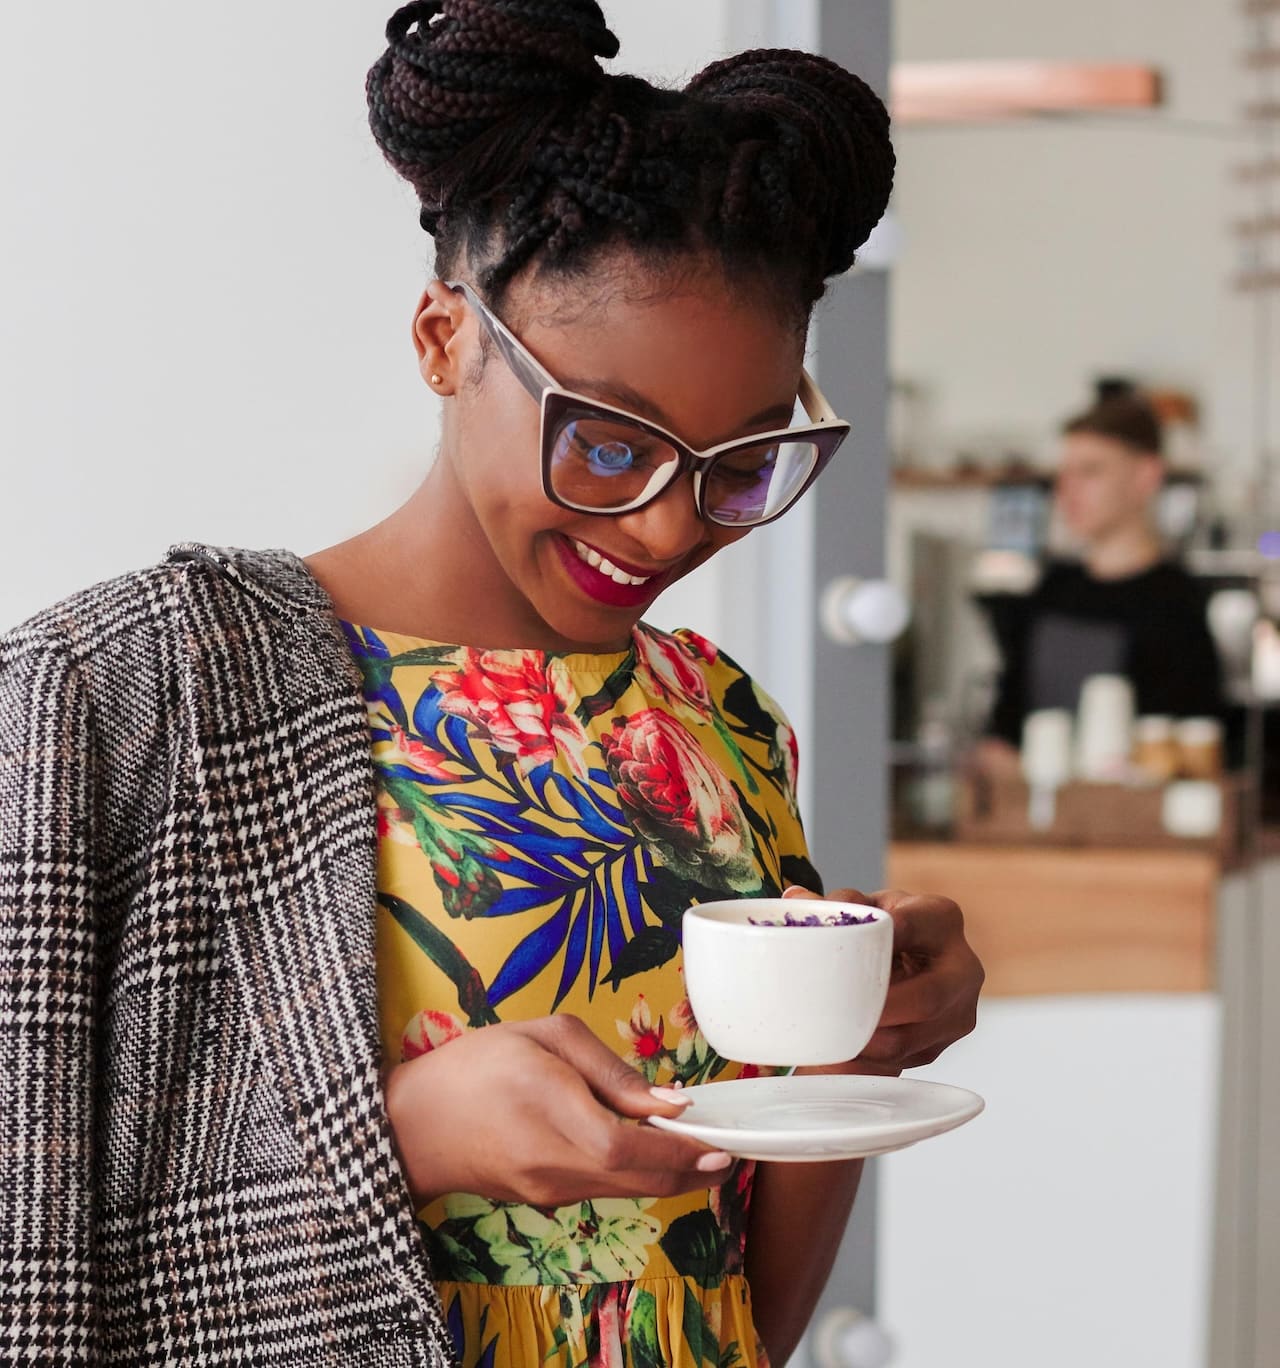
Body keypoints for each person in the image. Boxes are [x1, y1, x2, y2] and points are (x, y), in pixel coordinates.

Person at [0, 3, 984, 1365]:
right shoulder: (124, 692)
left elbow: (732, 1286)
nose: (663, 525)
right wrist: (400, 1138)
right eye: (603, 441)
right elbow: (29, 1244)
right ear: (443, 339)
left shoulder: (718, 716)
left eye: (742, 463)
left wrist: (852, 1046)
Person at [979, 390, 1224, 764]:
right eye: (1064, 474)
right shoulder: (1051, 589)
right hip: (1029, 812)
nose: (1067, 490)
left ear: (1147, 476)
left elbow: (1188, 746)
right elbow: (1007, 719)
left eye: (1090, 471)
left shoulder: (1177, 603)